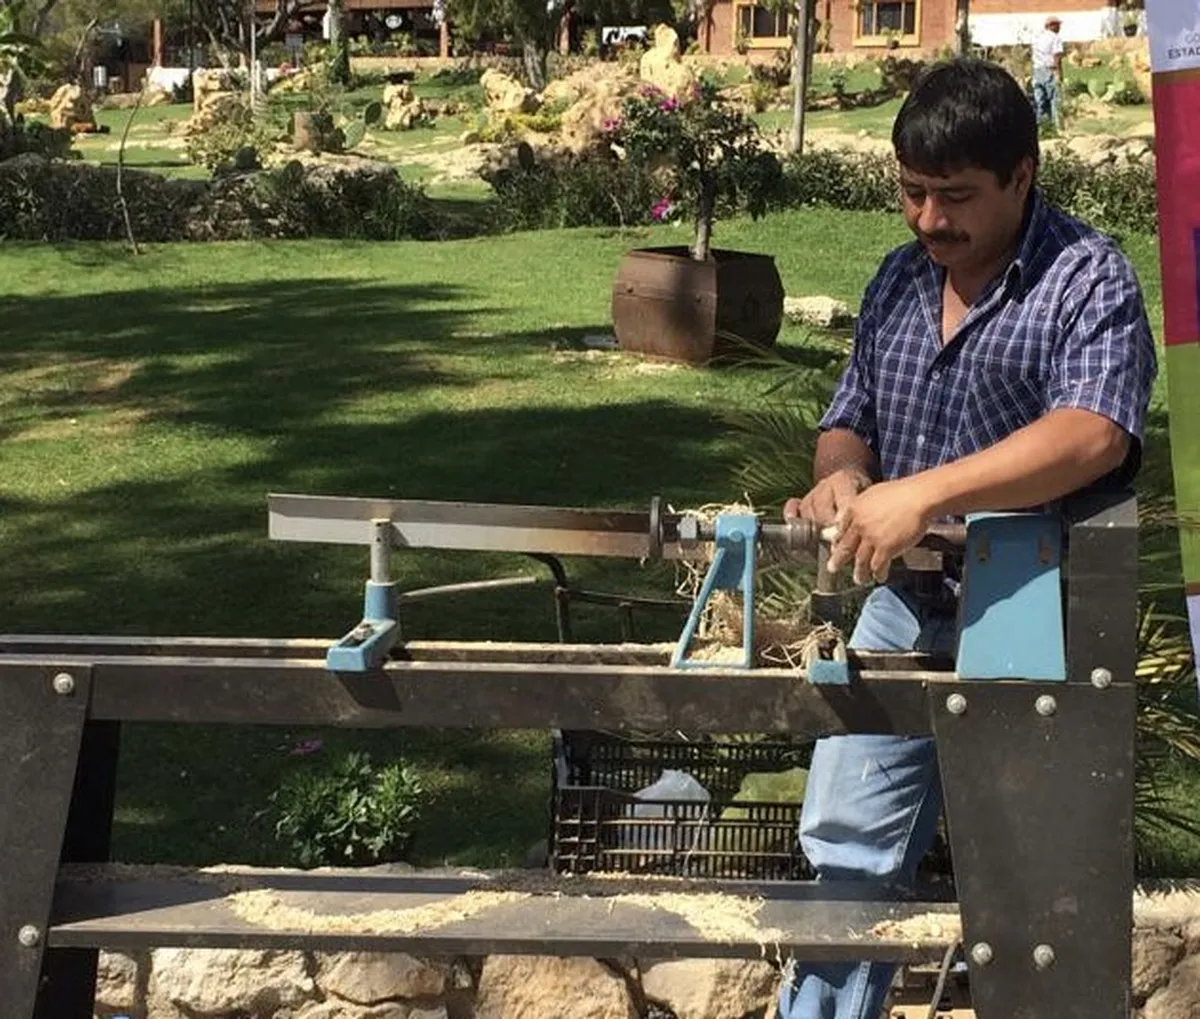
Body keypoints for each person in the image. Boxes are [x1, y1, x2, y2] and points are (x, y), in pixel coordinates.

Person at [776, 57, 1157, 1019]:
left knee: (1035, 888)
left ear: (1023, 177)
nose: (929, 221)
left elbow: (1094, 430)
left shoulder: (1087, 276)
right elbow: (849, 412)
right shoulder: (901, 279)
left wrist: (925, 492)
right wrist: (845, 473)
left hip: (1039, 613)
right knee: (845, 850)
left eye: (955, 197)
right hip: (907, 604)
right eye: (912, 192)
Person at [1032, 15, 1065, 130]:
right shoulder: (1055, 38)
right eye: (1057, 25)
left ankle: (1042, 127)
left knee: (1040, 101)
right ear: (1051, 26)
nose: (1059, 27)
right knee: (1054, 100)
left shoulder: (1037, 37)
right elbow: (1057, 56)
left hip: (1037, 71)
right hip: (1049, 70)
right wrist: (1059, 73)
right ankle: (1057, 127)